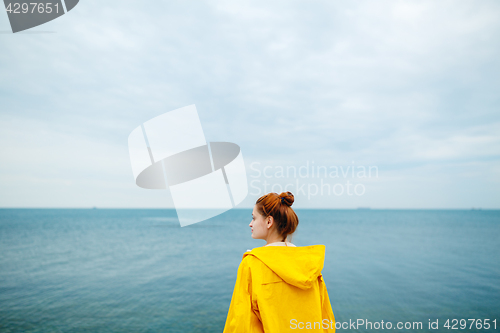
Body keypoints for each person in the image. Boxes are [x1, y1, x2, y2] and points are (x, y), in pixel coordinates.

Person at [223, 191, 336, 332]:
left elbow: (241, 322)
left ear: (269, 221)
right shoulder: (310, 264)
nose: (250, 224)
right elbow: (326, 319)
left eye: (254, 218)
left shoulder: (252, 264)